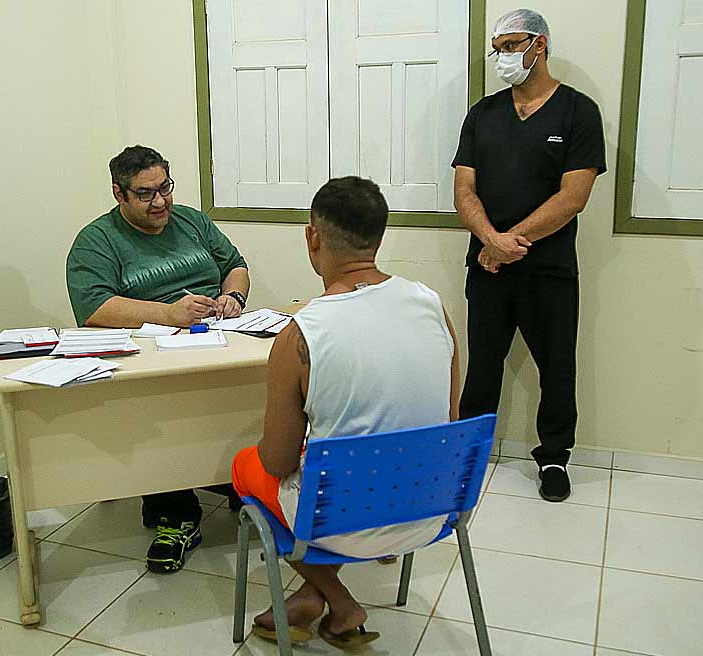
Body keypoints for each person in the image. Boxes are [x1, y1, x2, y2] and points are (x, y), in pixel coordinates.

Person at [230, 177, 460, 648]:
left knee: (245, 466)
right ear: (380, 235)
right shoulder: (433, 307)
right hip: (431, 507)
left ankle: (337, 598)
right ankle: (317, 600)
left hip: (340, 522)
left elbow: (277, 463)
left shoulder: (300, 335)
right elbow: (448, 422)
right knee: (341, 474)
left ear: (312, 237)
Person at [66, 145, 251, 573]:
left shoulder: (191, 220)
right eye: (146, 194)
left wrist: (233, 296)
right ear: (119, 194)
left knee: (255, 392)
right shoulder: (96, 241)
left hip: (214, 337)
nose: (161, 201)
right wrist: (167, 314)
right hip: (147, 351)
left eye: (165, 187)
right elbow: (94, 307)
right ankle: (176, 511)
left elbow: (236, 265)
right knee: (164, 409)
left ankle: (237, 476)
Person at [452, 9, 606, 502]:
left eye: (510, 45)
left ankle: (555, 457)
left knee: (556, 366)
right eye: (496, 48)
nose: (502, 57)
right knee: (482, 367)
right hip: (487, 267)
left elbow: (572, 197)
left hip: (549, 270)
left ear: (539, 45)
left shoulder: (578, 112)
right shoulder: (483, 114)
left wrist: (509, 241)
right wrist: (489, 241)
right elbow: (464, 189)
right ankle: (468, 455)